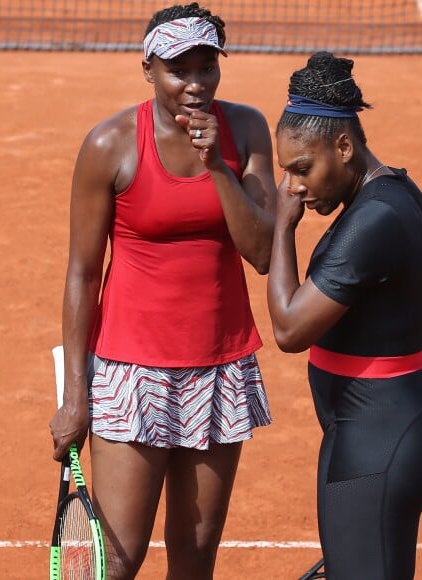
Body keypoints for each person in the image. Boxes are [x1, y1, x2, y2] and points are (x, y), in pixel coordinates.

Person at [48, 3, 277, 578]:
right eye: (179, 69)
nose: (195, 83)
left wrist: (217, 167)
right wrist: (78, 396)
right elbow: (82, 274)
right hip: (132, 375)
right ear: (148, 69)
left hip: (219, 368)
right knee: (117, 562)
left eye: (207, 66)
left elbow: (263, 252)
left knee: (194, 559)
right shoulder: (109, 145)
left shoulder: (245, 130)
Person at [267, 52, 422, 580]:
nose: (294, 188)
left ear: (345, 147)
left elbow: (288, 328)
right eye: (288, 172)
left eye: (302, 169)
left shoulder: (374, 220)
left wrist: (281, 228)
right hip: (372, 427)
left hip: (383, 435)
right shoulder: (386, 195)